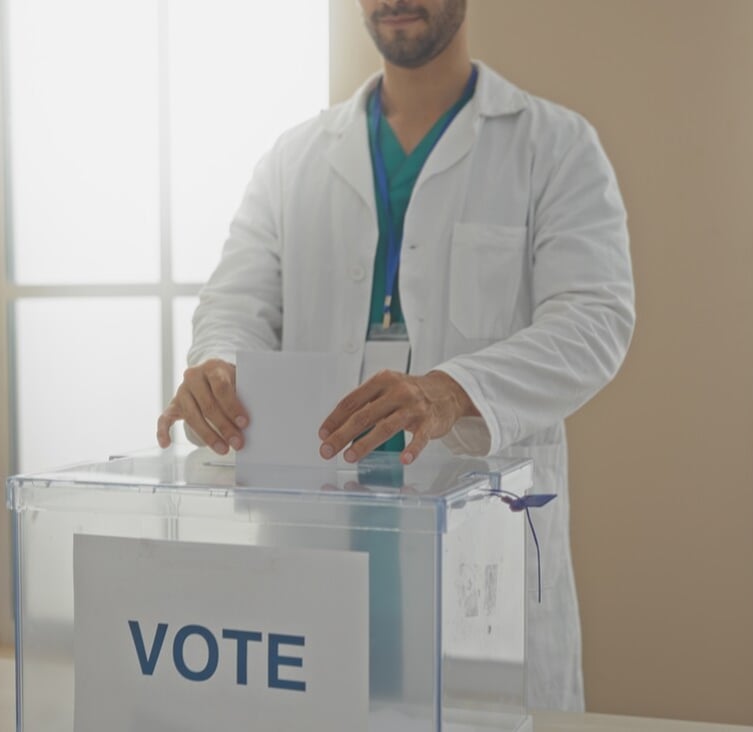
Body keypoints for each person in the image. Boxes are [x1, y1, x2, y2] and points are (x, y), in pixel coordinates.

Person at [156, 0, 634, 712]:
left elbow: (596, 319)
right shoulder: (293, 160)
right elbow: (235, 304)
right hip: (316, 539)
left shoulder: (553, 145)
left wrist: (453, 389)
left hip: (477, 545)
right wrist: (221, 367)